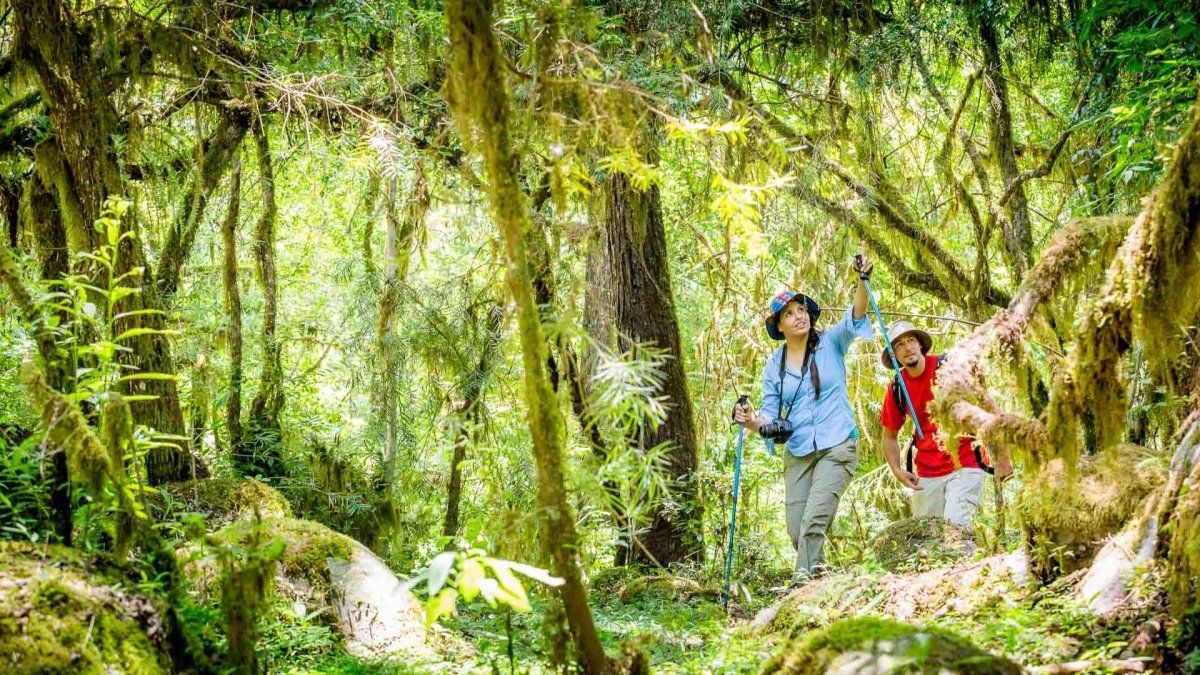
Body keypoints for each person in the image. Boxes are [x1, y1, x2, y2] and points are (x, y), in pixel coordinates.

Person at [734, 255, 874, 582]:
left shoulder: (831, 343)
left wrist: (862, 280)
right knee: (797, 529)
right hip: (798, 450)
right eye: (789, 314)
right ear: (779, 326)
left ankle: (801, 585)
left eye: (801, 310)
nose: (798, 316)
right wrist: (750, 419)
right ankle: (820, 578)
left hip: (838, 444)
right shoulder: (774, 367)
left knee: (813, 523)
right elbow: (767, 418)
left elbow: (856, 315)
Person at [879, 321, 1013, 527]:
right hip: (926, 472)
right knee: (927, 542)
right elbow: (889, 436)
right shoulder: (897, 387)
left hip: (965, 464)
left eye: (911, 340)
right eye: (899, 345)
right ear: (894, 356)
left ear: (920, 345)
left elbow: (988, 408)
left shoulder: (947, 369)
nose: (908, 347)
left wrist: (1002, 456)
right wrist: (897, 470)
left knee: (955, 531)